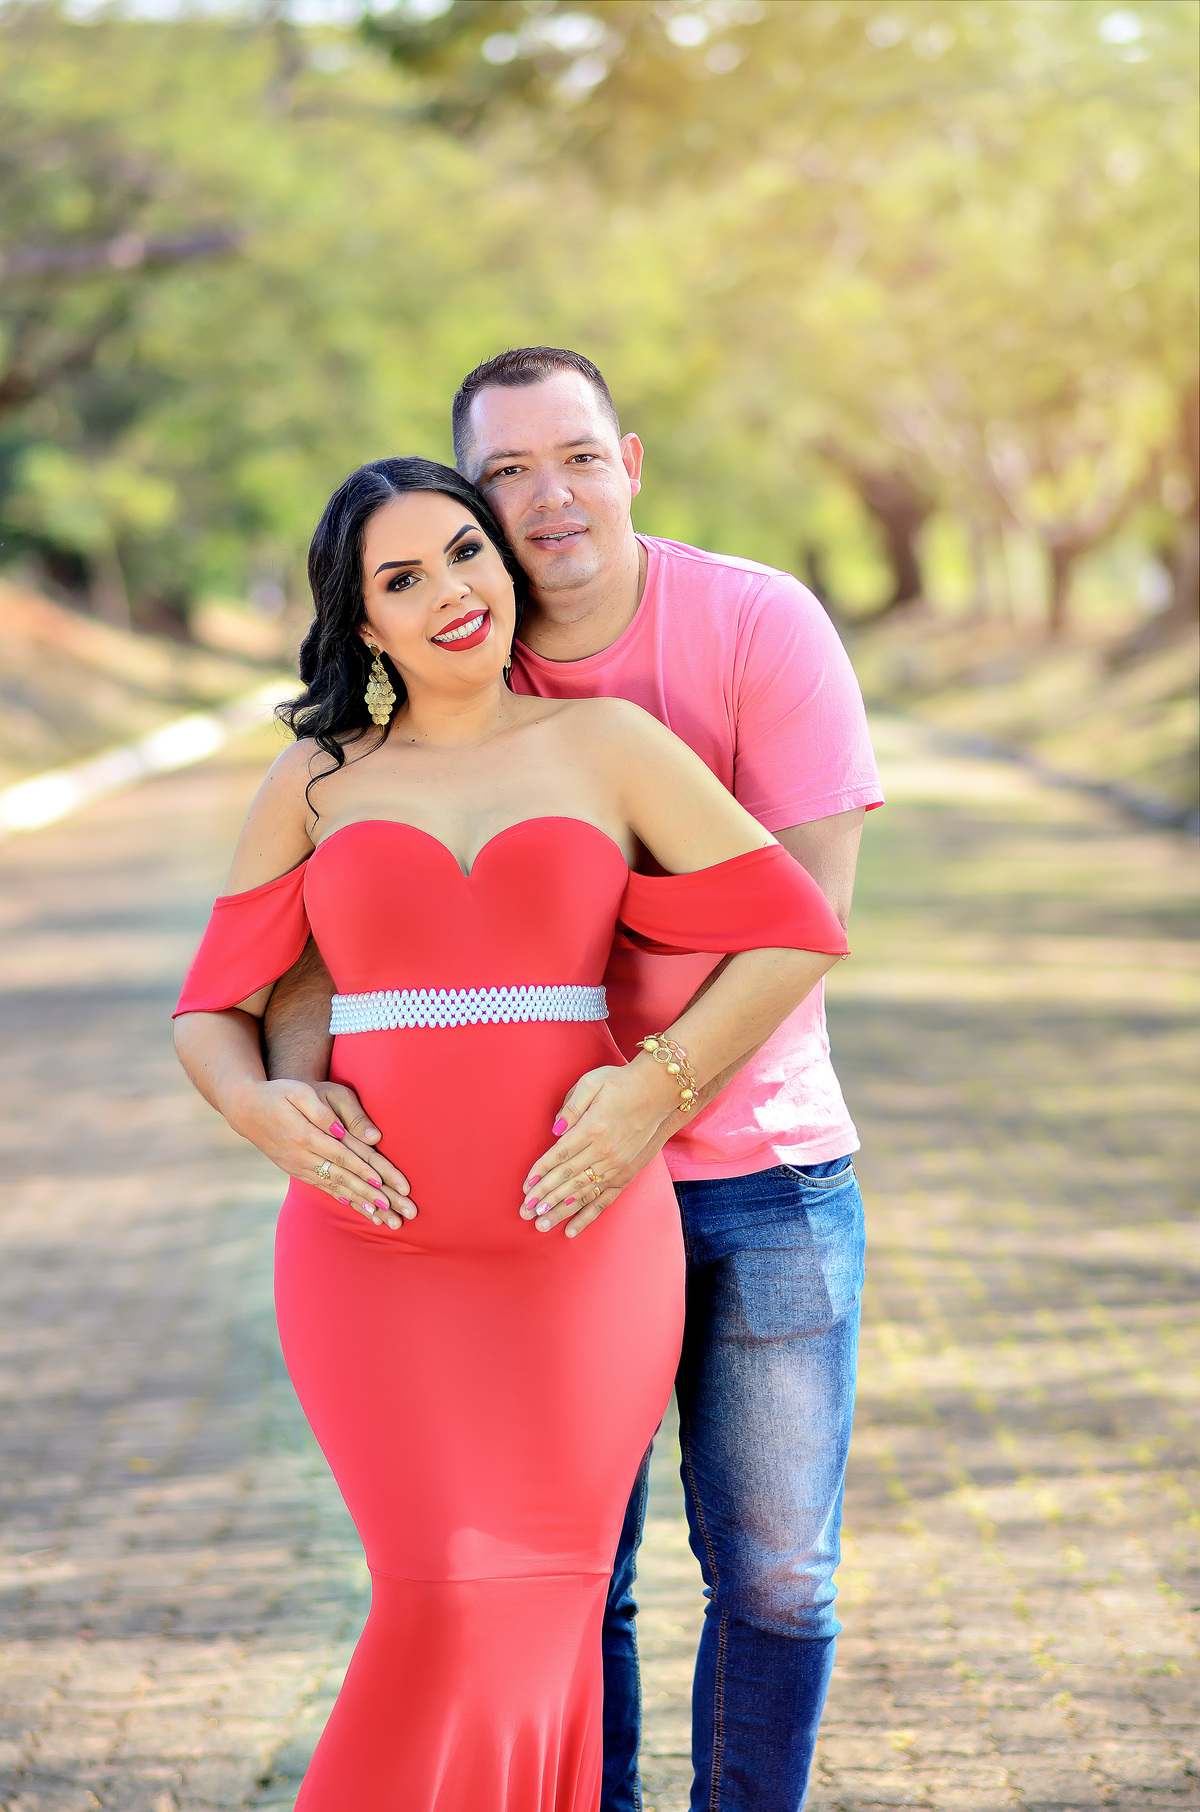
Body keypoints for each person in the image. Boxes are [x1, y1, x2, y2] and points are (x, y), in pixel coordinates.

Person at [172, 455, 848, 1811]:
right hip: (370, 1252)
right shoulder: (317, 778)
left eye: (465, 553)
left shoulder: (608, 747)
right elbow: (210, 1008)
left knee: (548, 1607)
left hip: (581, 1245)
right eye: (402, 579)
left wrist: (656, 1083)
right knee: (433, 1601)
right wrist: (259, 1107)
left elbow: (794, 927)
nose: (450, 592)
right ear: (366, 625)